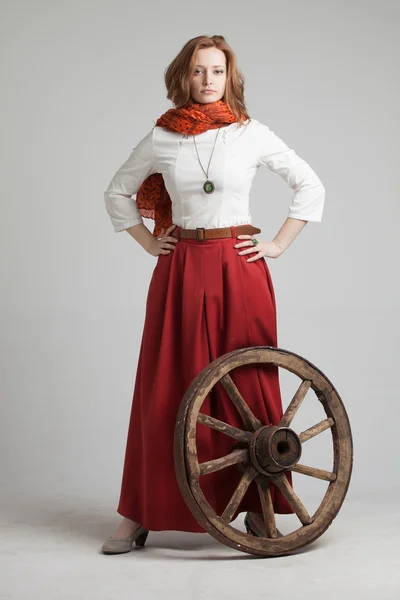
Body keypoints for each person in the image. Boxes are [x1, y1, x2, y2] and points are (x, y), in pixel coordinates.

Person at [101, 34, 325, 555]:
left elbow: (310, 184)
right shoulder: (162, 137)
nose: (208, 80)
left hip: (238, 267)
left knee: (246, 384)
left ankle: (259, 505)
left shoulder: (250, 133)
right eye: (200, 71)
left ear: (230, 77)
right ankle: (139, 511)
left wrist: (276, 244)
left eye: (217, 72)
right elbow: (117, 191)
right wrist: (149, 241)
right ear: (185, 76)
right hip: (179, 269)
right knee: (165, 387)